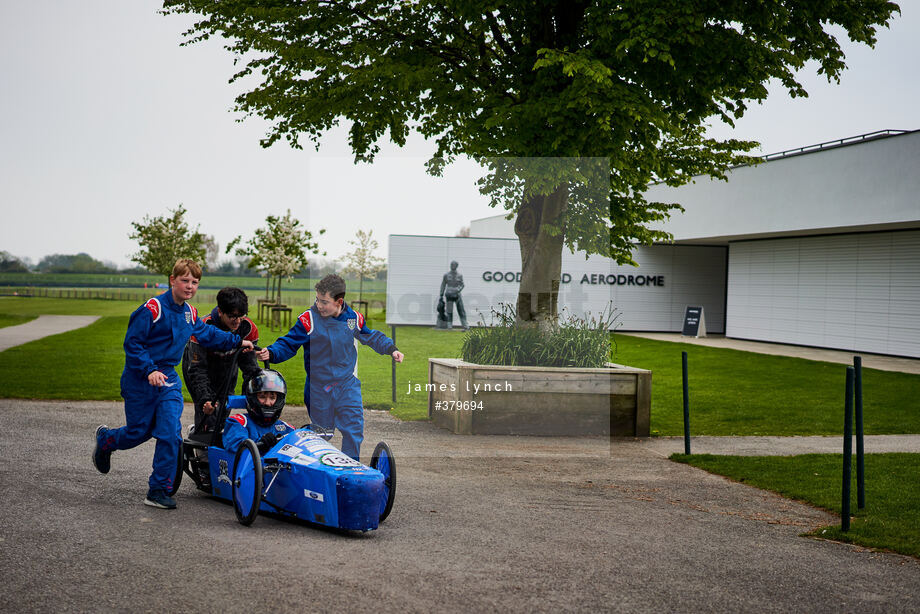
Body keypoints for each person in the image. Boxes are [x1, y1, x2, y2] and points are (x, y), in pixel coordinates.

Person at [92, 258, 255, 510]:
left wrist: (236, 341)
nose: (190, 286)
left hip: (167, 380)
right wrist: (149, 369)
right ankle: (107, 441)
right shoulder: (152, 309)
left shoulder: (190, 313)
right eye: (185, 280)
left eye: (195, 282)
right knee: (139, 432)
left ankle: (158, 489)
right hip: (140, 380)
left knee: (170, 434)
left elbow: (208, 334)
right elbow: (132, 344)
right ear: (172, 280)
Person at [256, 274, 404, 461]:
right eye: (317, 300)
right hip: (319, 388)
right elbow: (288, 342)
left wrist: (391, 349)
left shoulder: (353, 319)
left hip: (346, 384)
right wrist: (272, 352)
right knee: (322, 435)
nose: (319, 305)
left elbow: (371, 336)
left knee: (353, 430)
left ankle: (349, 470)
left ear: (339, 301)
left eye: (324, 302)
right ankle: (309, 455)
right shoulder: (308, 320)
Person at [182, 287, 260, 433]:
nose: (237, 321)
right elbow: (197, 370)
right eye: (232, 316)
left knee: (224, 409)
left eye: (242, 316)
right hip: (199, 367)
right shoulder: (203, 328)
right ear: (220, 312)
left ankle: (216, 436)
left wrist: (252, 395)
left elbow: (250, 366)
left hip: (228, 367)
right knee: (208, 411)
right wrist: (205, 398)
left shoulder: (248, 328)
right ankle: (202, 438)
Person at [222, 369, 295, 454]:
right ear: (253, 398)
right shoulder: (238, 423)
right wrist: (261, 443)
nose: (268, 403)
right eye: (262, 397)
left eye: (272, 398)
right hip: (251, 466)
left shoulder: (285, 427)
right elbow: (238, 447)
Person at [439, 260, 468, 329]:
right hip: (449, 295)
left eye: (454, 265)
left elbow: (462, 284)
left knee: (461, 310)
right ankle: (449, 325)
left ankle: (465, 325)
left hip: (457, 295)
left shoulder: (459, 275)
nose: (452, 266)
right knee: (449, 310)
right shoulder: (446, 275)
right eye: (451, 265)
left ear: (456, 266)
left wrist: (458, 290)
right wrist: (441, 294)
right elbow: (443, 284)